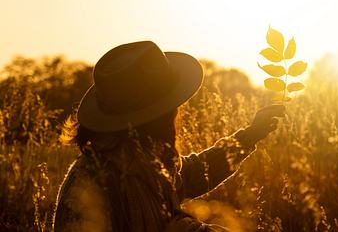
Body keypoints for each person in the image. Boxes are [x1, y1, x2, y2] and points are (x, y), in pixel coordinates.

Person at [52, 41, 284, 231]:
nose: (177, 113)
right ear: (158, 118)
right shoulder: (91, 188)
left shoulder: (138, 159)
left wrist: (251, 134)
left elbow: (192, 173)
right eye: (173, 107)